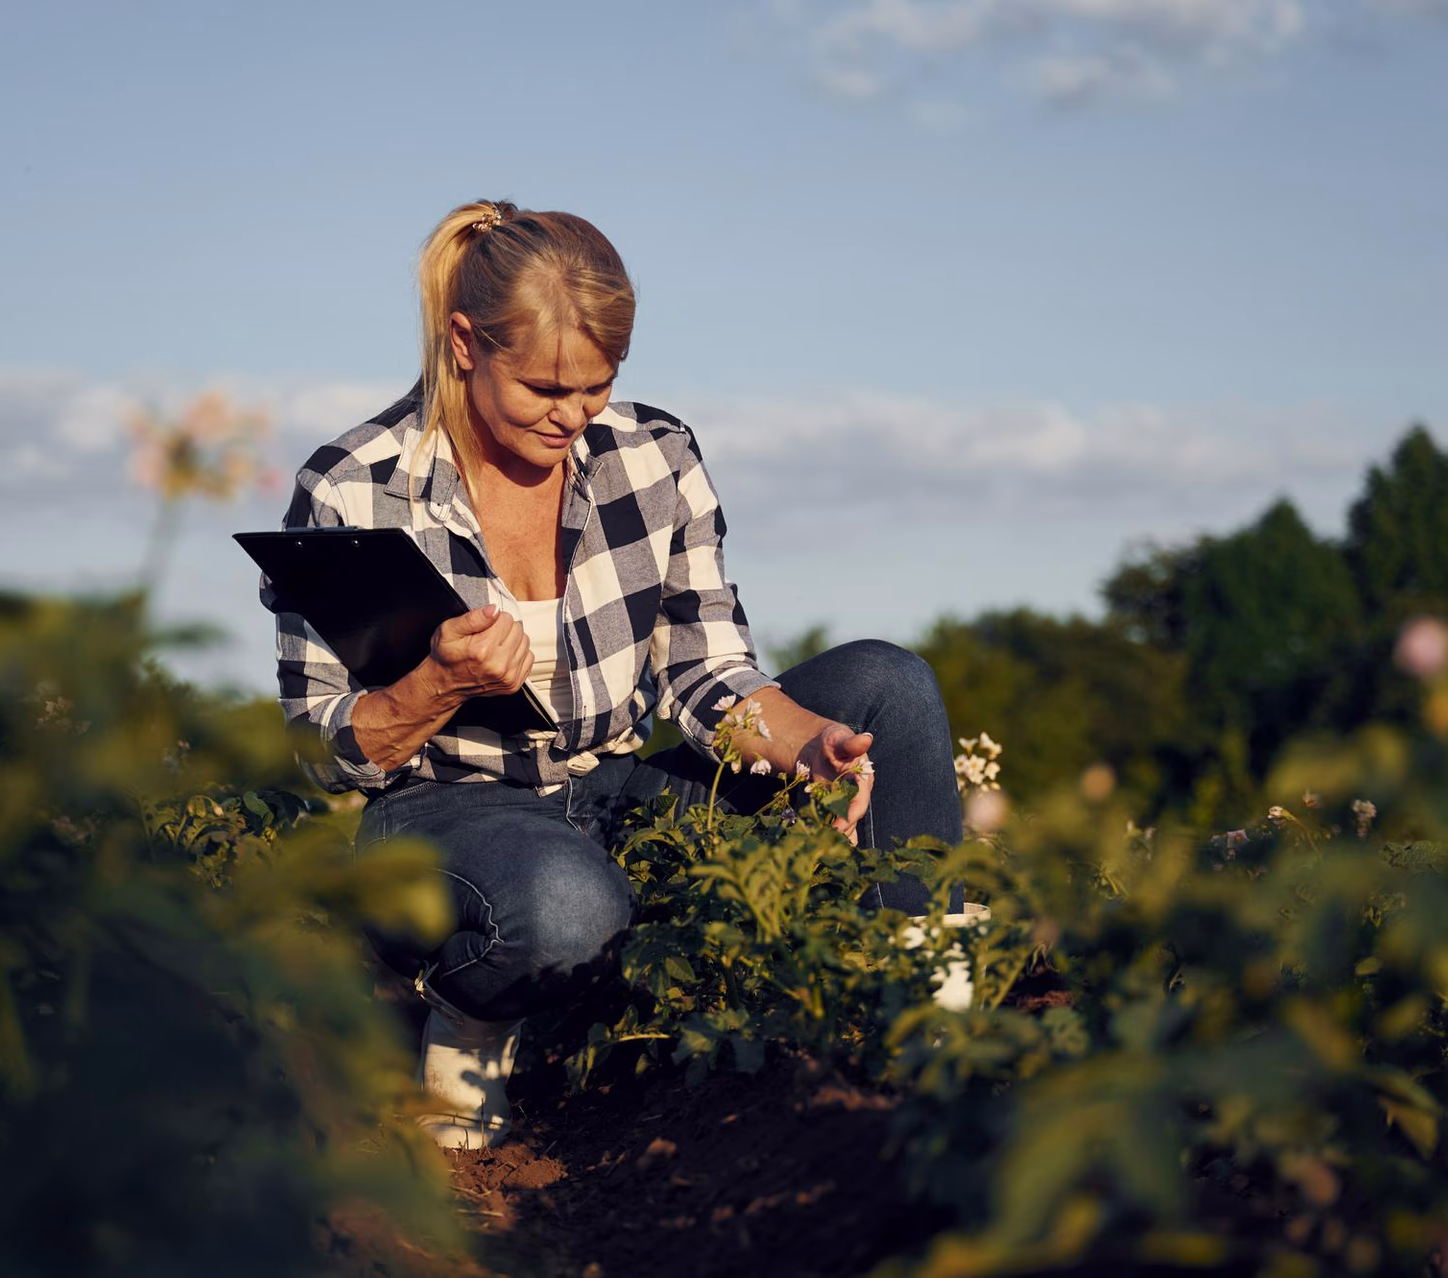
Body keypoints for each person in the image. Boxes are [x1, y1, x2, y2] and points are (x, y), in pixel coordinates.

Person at [260, 199, 964, 1150]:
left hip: (614, 788)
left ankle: (939, 1020)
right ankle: (470, 1010)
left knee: (891, 681)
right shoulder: (352, 486)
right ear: (465, 343)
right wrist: (438, 683)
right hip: (446, 815)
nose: (575, 416)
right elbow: (319, 749)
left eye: (597, 386)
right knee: (565, 904)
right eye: (548, 388)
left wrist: (808, 741)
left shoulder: (653, 454)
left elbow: (710, 664)